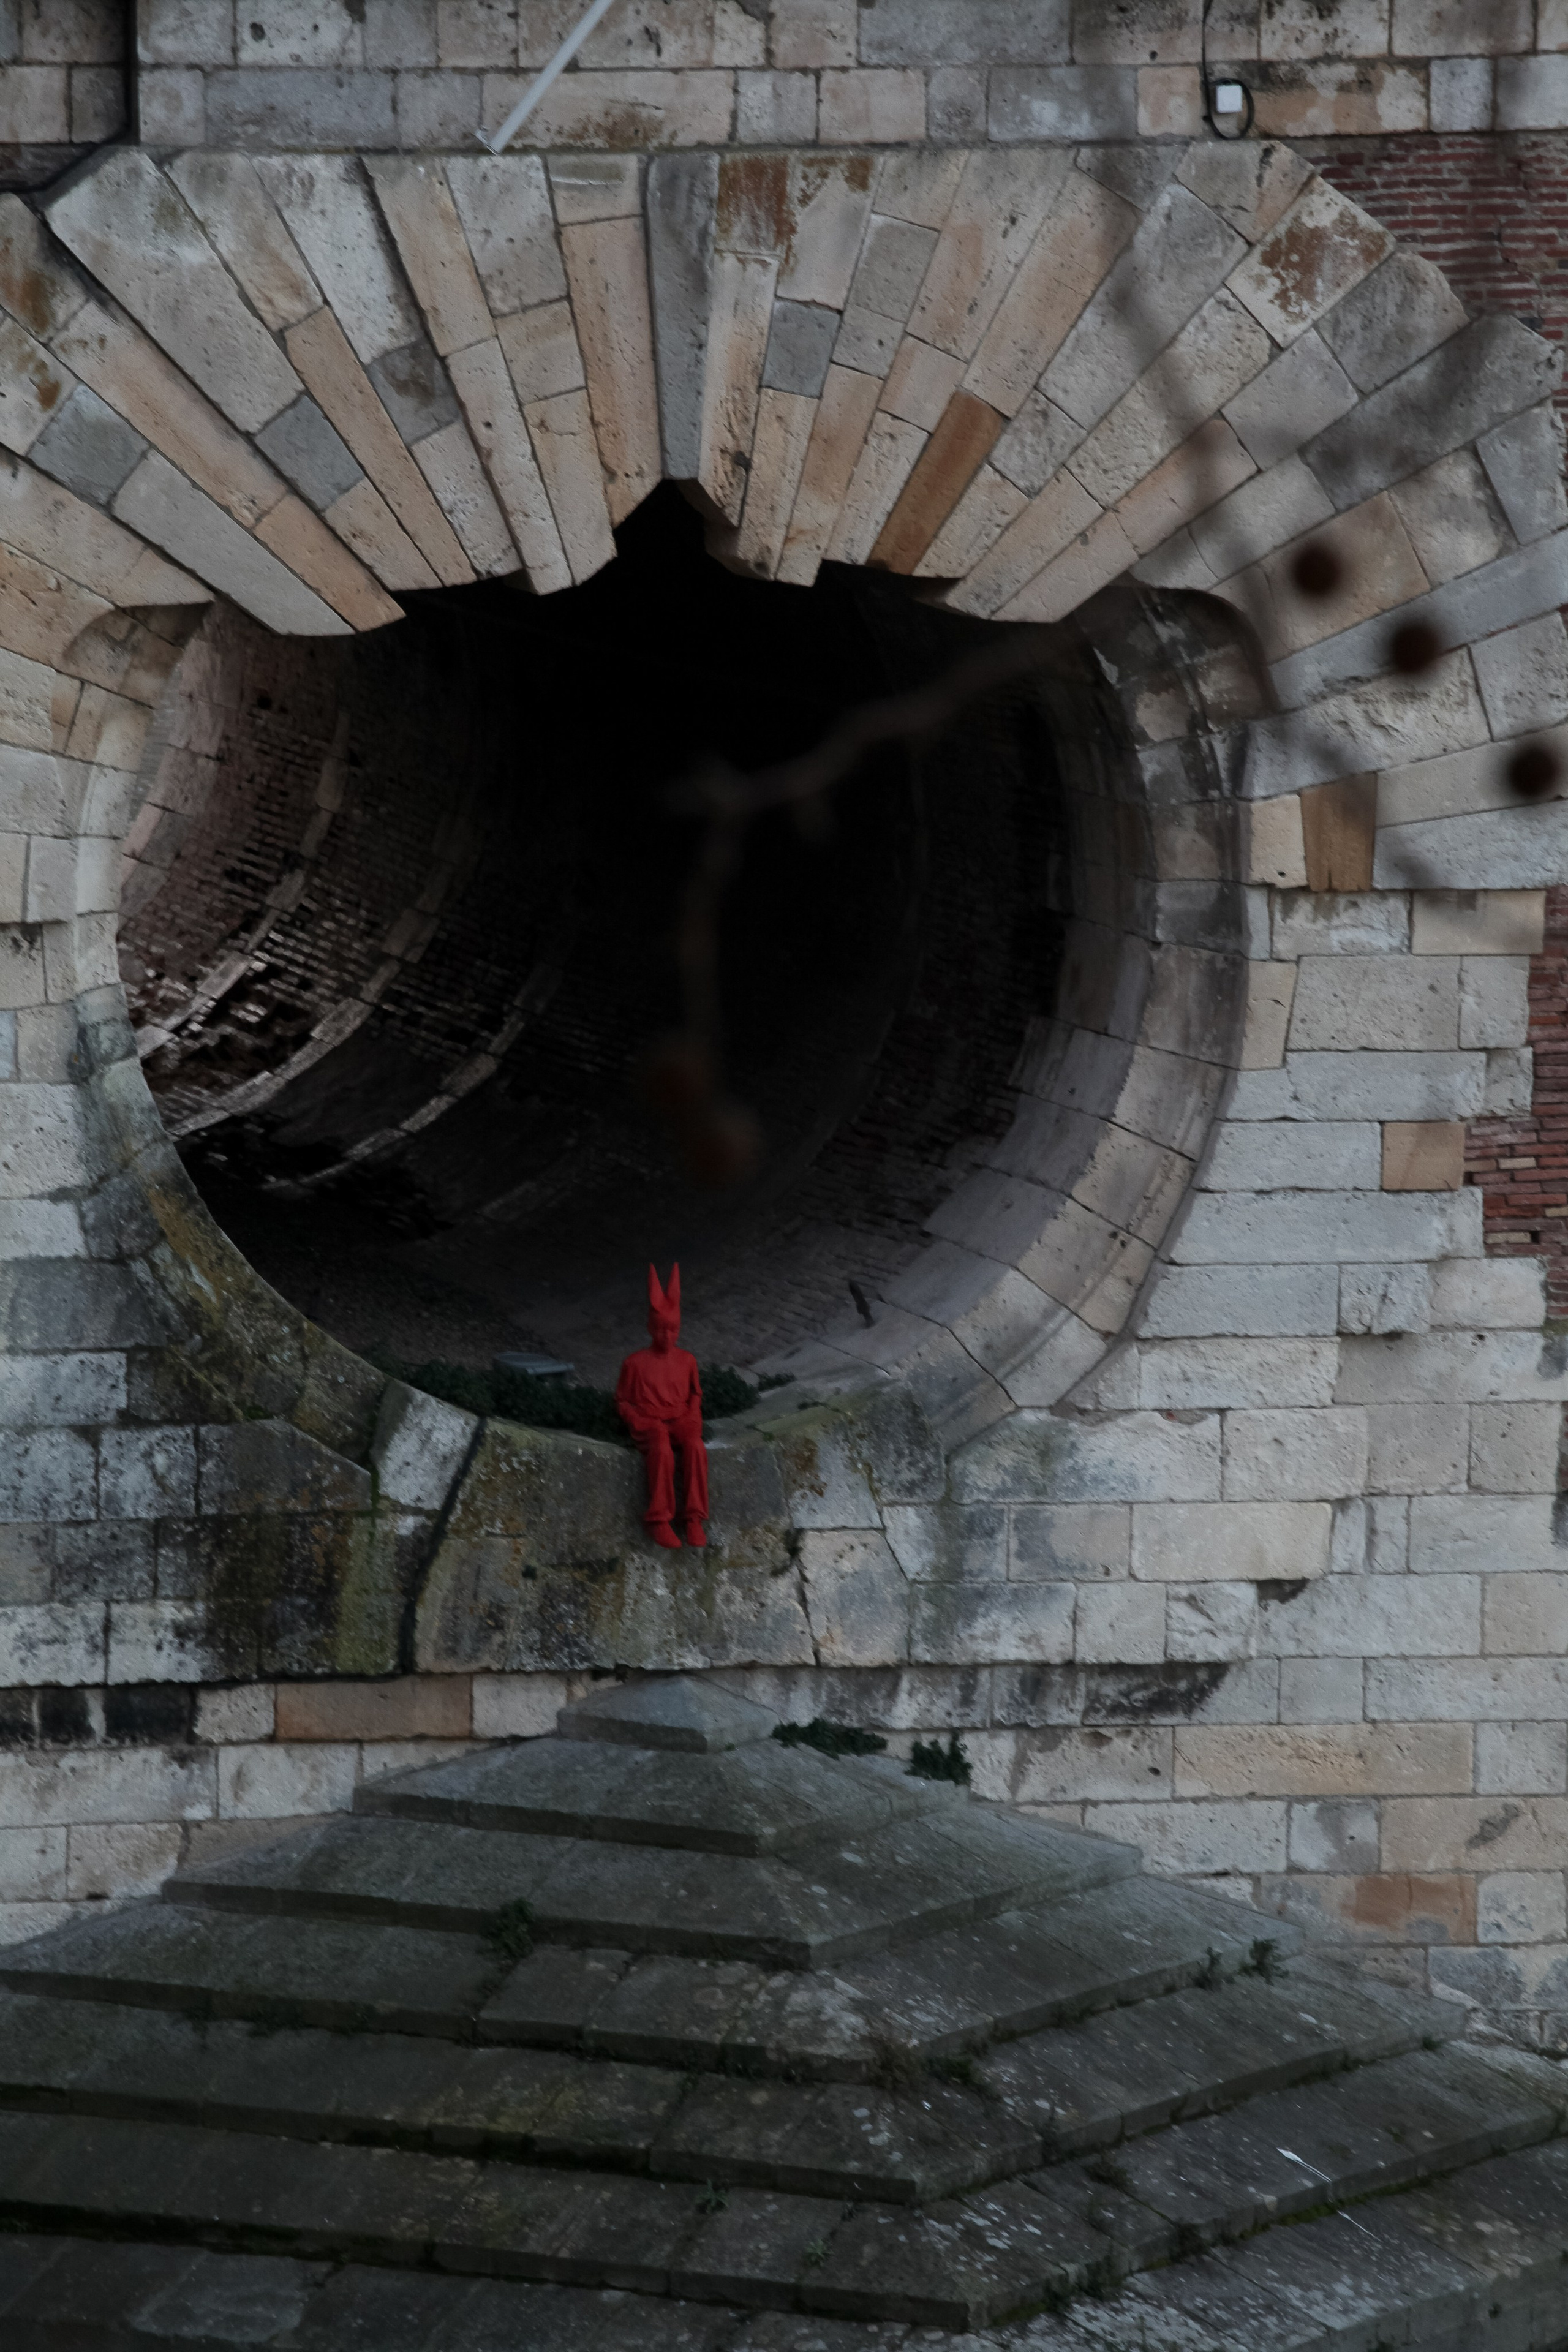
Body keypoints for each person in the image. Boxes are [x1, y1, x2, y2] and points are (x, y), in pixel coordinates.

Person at [616, 1263, 708, 1550]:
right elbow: (622, 1399)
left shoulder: (688, 1361)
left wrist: (693, 1413)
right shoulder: (634, 1364)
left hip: (680, 1418)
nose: (668, 1336)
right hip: (651, 1422)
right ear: (650, 1328)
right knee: (661, 1448)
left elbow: (695, 1394)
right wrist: (635, 1419)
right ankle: (659, 1518)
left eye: (673, 1330)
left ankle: (693, 1517)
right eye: (661, 1330)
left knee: (694, 1446)